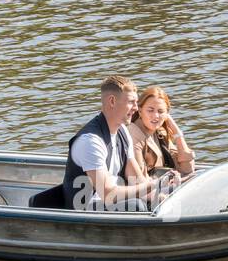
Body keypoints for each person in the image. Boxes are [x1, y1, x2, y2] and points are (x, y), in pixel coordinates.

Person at [62, 75, 158, 211]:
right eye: (131, 102)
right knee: (136, 206)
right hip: (84, 211)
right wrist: (154, 185)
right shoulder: (91, 141)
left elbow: (136, 180)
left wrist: (165, 192)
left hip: (109, 204)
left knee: (157, 201)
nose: (136, 108)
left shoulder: (123, 131)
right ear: (112, 101)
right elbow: (108, 194)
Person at [128, 86, 195, 179]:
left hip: (164, 187)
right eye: (150, 110)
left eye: (160, 111)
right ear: (140, 111)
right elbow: (137, 180)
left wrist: (177, 132)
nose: (156, 116)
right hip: (145, 190)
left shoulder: (160, 133)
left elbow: (187, 169)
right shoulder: (133, 134)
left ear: (167, 114)